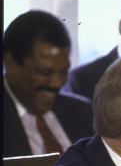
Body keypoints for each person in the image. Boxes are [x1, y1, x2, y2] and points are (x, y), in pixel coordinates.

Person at [3, 10, 93, 157]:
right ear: (10, 63)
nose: (56, 83)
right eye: (44, 72)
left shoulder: (83, 111)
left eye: (63, 71)